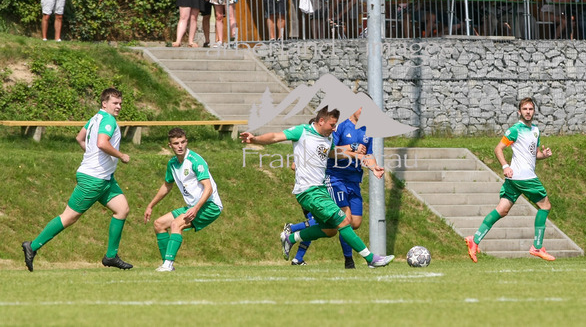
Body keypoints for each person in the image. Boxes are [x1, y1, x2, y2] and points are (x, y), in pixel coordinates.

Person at [240, 106, 394, 269]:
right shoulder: (302, 131)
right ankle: (371, 259)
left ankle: (290, 238)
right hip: (308, 191)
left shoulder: (328, 138)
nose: (334, 129)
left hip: (320, 189)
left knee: (330, 230)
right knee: (343, 220)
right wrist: (254, 139)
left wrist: (365, 162)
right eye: (332, 125)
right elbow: (275, 136)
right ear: (321, 121)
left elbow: (333, 153)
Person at [22, 88, 133, 272]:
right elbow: (102, 143)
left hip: (104, 178)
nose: (119, 106)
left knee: (122, 209)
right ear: (104, 103)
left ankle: (111, 256)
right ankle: (32, 246)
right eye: (115, 103)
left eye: (120, 103)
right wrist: (121, 155)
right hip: (94, 179)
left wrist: (92, 156)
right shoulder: (108, 120)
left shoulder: (95, 118)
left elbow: (80, 138)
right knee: (69, 217)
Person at [285, 108, 382, 269]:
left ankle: (293, 234)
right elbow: (330, 150)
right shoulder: (338, 127)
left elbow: (368, 154)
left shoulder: (367, 130)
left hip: (353, 180)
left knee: (349, 224)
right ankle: (352, 261)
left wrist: (373, 167)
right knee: (343, 220)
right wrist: (353, 147)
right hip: (334, 179)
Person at [465, 97, 556, 263]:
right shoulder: (515, 130)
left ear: (534, 111)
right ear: (519, 112)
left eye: (530, 109)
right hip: (525, 178)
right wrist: (505, 166)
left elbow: (534, 154)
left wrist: (544, 155)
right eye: (525, 109)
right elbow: (498, 149)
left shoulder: (535, 130)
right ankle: (537, 247)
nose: (528, 112)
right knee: (545, 206)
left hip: (515, 180)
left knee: (502, 210)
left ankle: (474, 239)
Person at [144, 128, 223, 272]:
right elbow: (167, 186)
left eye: (182, 142)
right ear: (170, 145)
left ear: (186, 142)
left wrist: (196, 209)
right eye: (176, 143)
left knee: (176, 224)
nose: (180, 146)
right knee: (159, 224)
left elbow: (208, 188)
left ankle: (168, 265)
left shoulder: (195, 161)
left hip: (210, 205)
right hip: (194, 206)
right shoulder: (172, 164)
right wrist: (150, 205)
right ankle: (167, 264)